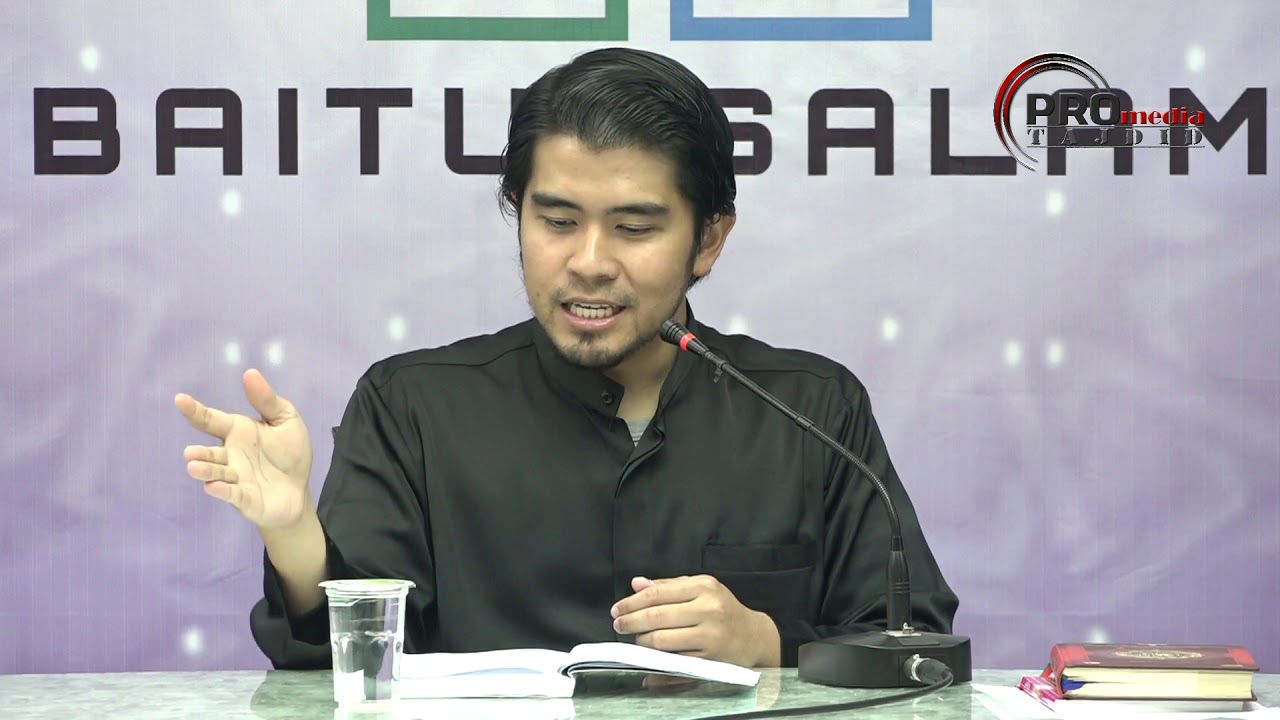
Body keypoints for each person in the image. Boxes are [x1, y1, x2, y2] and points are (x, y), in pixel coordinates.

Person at [175, 47, 959, 671]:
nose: (588, 263)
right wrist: (293, 535)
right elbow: (341, 668)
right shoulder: (412, 406)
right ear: (518, 215)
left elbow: (917, 649)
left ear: (709, 240)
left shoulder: (812, 408)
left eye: (634, 228)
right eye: (556, 220)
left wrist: (768, 645)